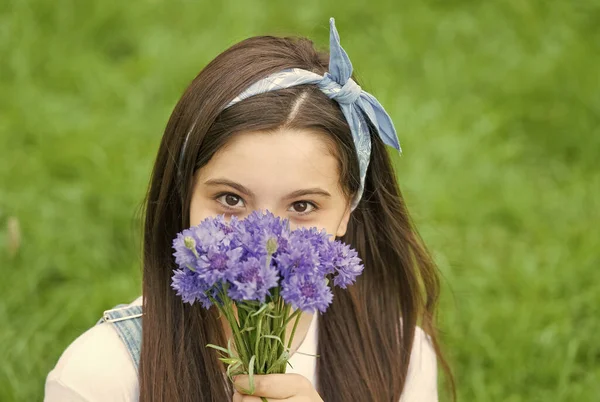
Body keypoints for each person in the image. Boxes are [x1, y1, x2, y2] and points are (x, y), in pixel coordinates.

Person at [45, 18, 454, 402]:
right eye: (231, 199)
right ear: (184, 195)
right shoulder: (97, 375)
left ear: (348, 210)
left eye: (302, 205)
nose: (264, 241)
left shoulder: (401, 356)